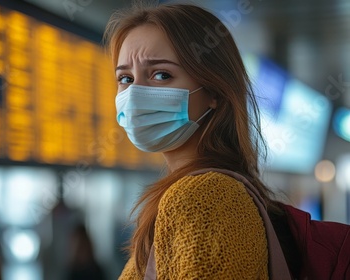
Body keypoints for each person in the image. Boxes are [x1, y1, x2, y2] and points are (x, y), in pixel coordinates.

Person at [103, 3, 299, 279]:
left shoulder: (202, 198)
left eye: (161, 75)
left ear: (214, 91)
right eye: (125, 78)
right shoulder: (218, 192)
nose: (135, 94)